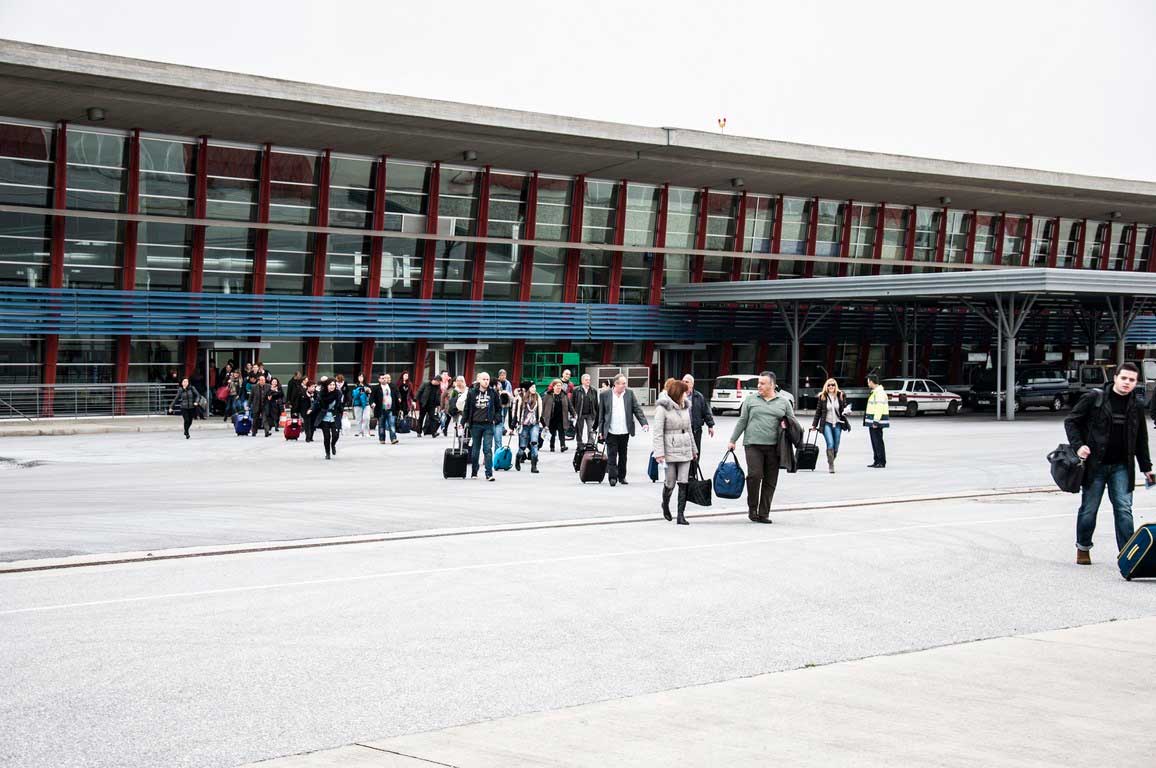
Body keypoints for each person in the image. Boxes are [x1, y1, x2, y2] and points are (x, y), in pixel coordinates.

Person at [1065, 362, 1154, 564]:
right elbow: (1071, 421)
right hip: (1095, 465)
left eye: (1131, 380)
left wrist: (1147, 468)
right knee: (1089, 509)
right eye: (1124, 378)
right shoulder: (1094, 398)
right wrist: (1079, 446)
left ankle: (1129, 556)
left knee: (1124, 509)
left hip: (1122, 466)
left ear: (1136, 383)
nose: (1127, 383)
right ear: (1115, 378)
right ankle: (1083, 547)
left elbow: (1141, 439)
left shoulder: (1137, 405)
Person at [728, 371, 795, 524]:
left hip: (775, 447)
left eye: (762, 383)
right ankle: (752, 509)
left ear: (772, 385)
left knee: (770, 480)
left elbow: (792, 422)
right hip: (753, 444)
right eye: (758, 383)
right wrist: (733, 440)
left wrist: (797, 439)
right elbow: (742, 421)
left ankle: (764, 513)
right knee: (755, 475)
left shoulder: (783, 402)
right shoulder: (750, 400)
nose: (759, 386)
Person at [653, 378, 697, 525]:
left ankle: (680, 514)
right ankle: (665, 504)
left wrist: (694, 449)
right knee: (670, 482)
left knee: (684, 481)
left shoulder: (685, 407)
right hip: (669, 449)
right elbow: (657, 432)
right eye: (684, 393)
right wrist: (659, 453)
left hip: (685, 448)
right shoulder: (662, 409)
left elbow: (689, 429)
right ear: (678, 393)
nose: (686, 395)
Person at [598, 373, 649, 487]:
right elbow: (601, 414)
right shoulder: (605, 395)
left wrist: (644, 423)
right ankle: (612, 477)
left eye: (625, 383)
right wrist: (600, 431)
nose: (625, 385)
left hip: (625, 430)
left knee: (623, 455)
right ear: (616, 384)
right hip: (611, 431)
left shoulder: (629, 393)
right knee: (612, 455)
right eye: (623, 383)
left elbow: (637, 409)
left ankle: (622, 476)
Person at [463, 371, 502, 481]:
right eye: (484, 379)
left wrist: (496, 419)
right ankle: (474, 472)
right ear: (479, 380)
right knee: (475, 450)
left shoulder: (493, 393)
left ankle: (489, 474)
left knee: (487, 449)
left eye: (487, 379)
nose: (486, 381)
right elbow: (467, 408)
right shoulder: (472, 392)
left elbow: (498, 408)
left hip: (488, 425)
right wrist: (462, 423)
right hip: (475, 425)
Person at [810, 378, 851, 473]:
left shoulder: (841, 395)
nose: (831, 386)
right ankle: (831, 465)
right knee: (830, 443)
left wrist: (847, 411)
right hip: (826, 423)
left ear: (835, 386)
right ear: (826, 386)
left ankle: (831, 459)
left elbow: (844, 408)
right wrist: (814, 425)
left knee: (836, 445)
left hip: (838, 423)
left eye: (833, 385)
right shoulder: (823, 396)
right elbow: (818, 412)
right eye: (829, 385)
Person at [511, 381, 543, 473]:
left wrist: (544, 425)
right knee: (522, 447)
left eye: (535, 387)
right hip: (523, 425)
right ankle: (518, 458)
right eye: (532, 387)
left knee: (534, 443)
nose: (534, 389)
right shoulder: (520, 398)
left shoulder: (537, 397)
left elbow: (540, 412)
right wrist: (512, 426)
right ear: (528, 388)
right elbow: (516, 413)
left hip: (534, 424)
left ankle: (534, 466)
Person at [682, 374, 715, 458]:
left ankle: (695, 466)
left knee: (695, 452)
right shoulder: (678, 395)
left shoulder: (699, 397)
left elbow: (706, 411)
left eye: (686, 382)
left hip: (695, 429)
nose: (684, 383)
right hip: (682, 429)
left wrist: (710, 426)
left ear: (692, 384)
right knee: (684, 452)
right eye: (683, 381)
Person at [541, 379, 574, 453]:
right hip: (551, 418)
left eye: (560, 386)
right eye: (557, 386)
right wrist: (541, 417)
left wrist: (573, 414)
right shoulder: (548, 395)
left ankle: (563, 446)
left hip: (561, 417)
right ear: (553, 386)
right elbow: (543, 406)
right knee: (552, 433)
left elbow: (570, 406)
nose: (559, 387)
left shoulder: (564, 395)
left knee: (561, 432)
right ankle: (552, 446)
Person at [315, 378, 344, 460]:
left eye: (333, 385)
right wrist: (311, 409)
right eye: (330, 385)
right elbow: (316, 403)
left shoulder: (338, 393)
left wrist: (343, 411)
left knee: (336, 435)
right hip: (325, 417)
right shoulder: (322, 394)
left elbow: (339, 405)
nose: (332, 386)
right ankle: (327, 453)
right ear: (327, 385)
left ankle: (333, 444)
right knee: (327, 437)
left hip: (335, 417)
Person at [865, 373, 889, 468]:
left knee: (878, 442)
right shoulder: (875, 392)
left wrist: (875, 421)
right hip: (873, 421)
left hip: (876, 422)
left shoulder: (879, 393)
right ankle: (876, 460)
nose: (867, 383)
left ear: (871, 381)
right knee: (875, 442)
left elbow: (879, 408)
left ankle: (881, 462)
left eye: (868, 381)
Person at [572, 373, 600, 445]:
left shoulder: (593, 390)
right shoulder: (576, 390)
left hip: (590, 414)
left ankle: (590, 443)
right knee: (579, 430)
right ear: (582, 381)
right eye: (586, 380)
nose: (588, 381)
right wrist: (573, 413)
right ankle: (579, 443)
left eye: (589, 380)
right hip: (580, 413)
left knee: (591, 429)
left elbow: (596, 403)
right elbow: (572, 402)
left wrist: (597, 414)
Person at [372, 373, 399, 444]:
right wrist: (372, 403)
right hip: (381, 409)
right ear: (379, 380)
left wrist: (399, 398)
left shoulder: (392, 386)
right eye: (382, 378)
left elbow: (397, 393)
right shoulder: (376, 388)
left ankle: (393, 439)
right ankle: (382, 439)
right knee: (381, 425)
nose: (384, 379)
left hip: (390, 408)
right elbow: (372, 397)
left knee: (392, 424)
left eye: (385, 378)